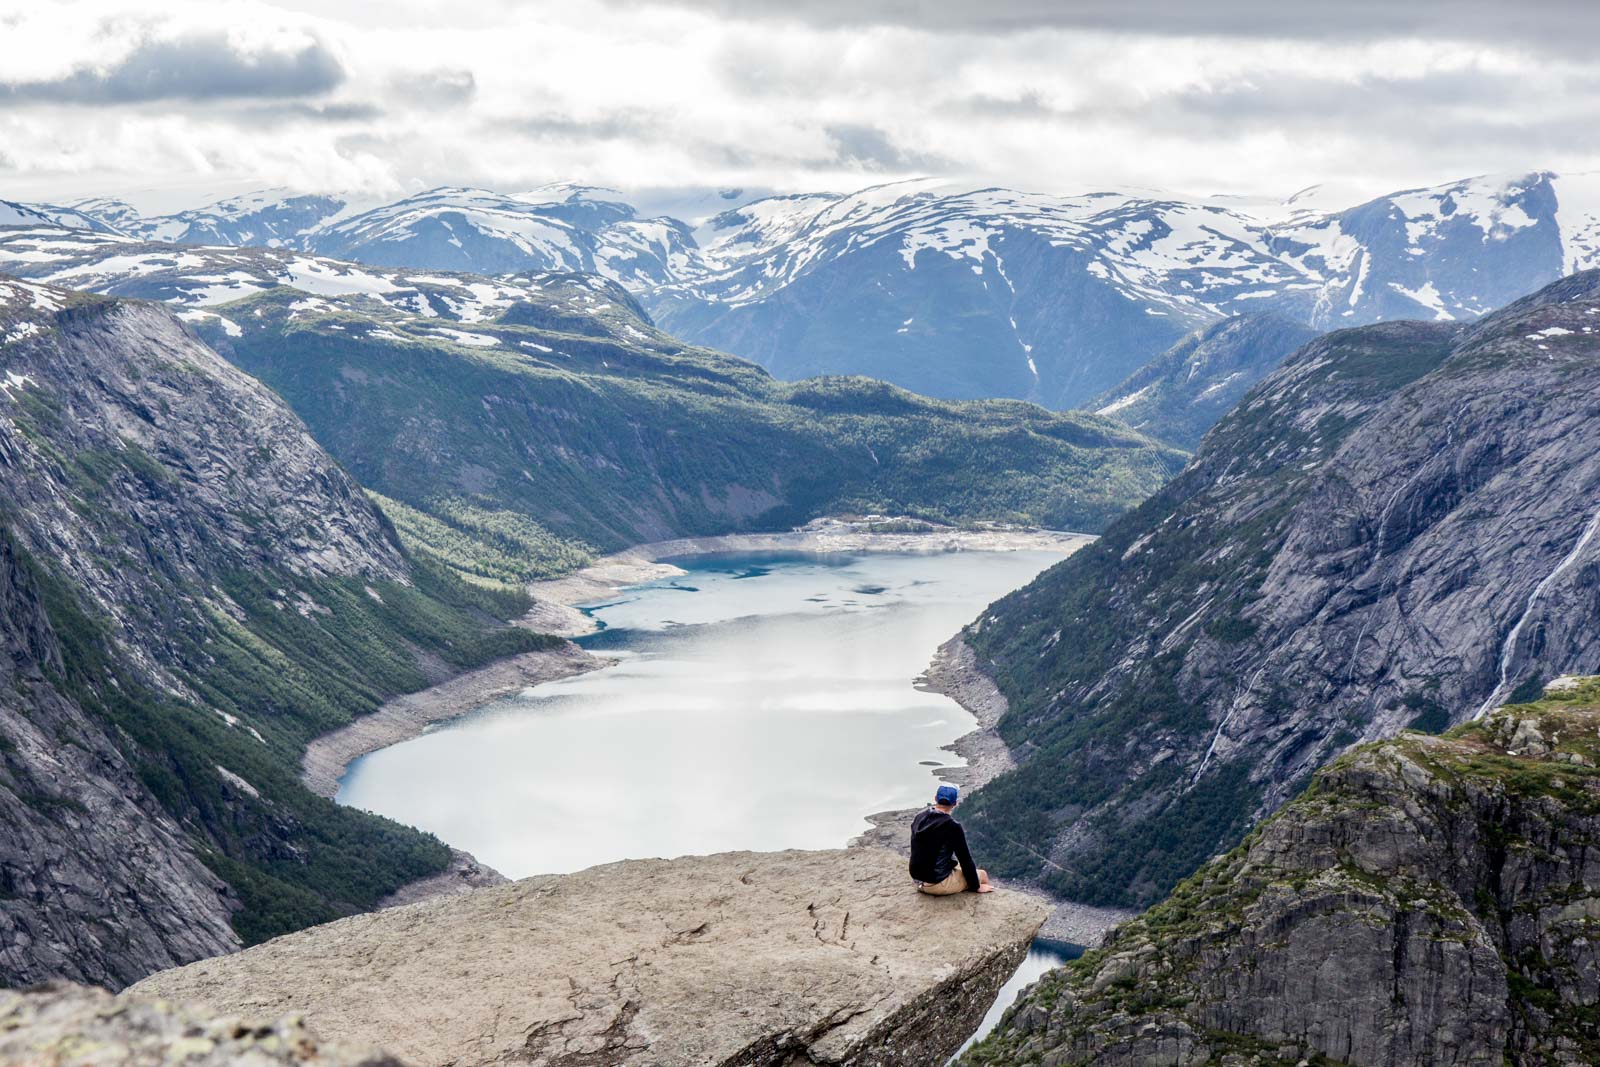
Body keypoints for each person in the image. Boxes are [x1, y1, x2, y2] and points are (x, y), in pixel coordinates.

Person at [909, 784, 992, 895]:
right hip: (937, 884)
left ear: (935, 798)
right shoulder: (952, 826)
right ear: (955, 803)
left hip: (917, 880)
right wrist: (976, 886)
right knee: (982, 874)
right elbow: (965, 860)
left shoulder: (919, 817)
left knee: (955, 866)